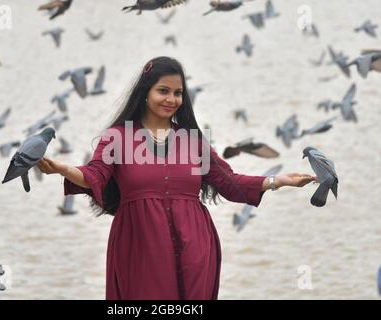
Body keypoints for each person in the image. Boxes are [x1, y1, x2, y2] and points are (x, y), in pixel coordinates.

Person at [37, 56, 317, 300]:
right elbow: (93, 174)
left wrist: (277, 181)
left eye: (178, 93)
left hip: (195, 243)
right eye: (163, 91)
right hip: (139, 246)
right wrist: (63, 168)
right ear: (146, 93)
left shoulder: (192, 140)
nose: (172, 99)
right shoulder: (118, 137)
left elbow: (228, 183)